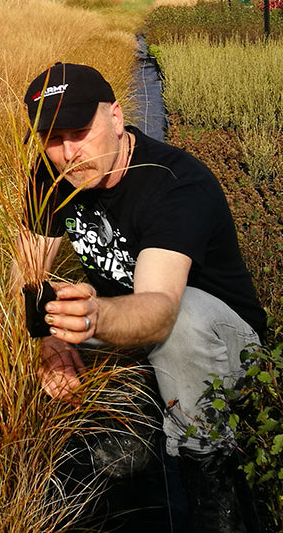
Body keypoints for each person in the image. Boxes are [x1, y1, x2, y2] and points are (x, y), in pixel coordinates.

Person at [16, 62, 266, 532]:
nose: (68, 153)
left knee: (184, 321)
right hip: (129, 330)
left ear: (115, 117)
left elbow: (157, 310)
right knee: (98, 439)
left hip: (218, 338)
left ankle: (210, 472)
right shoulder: (51, 177)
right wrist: (45, 337)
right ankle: (132, 423)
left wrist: (90, 319)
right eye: (52, 139)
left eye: (79, 131)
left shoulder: (173, 182)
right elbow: (25, 272)